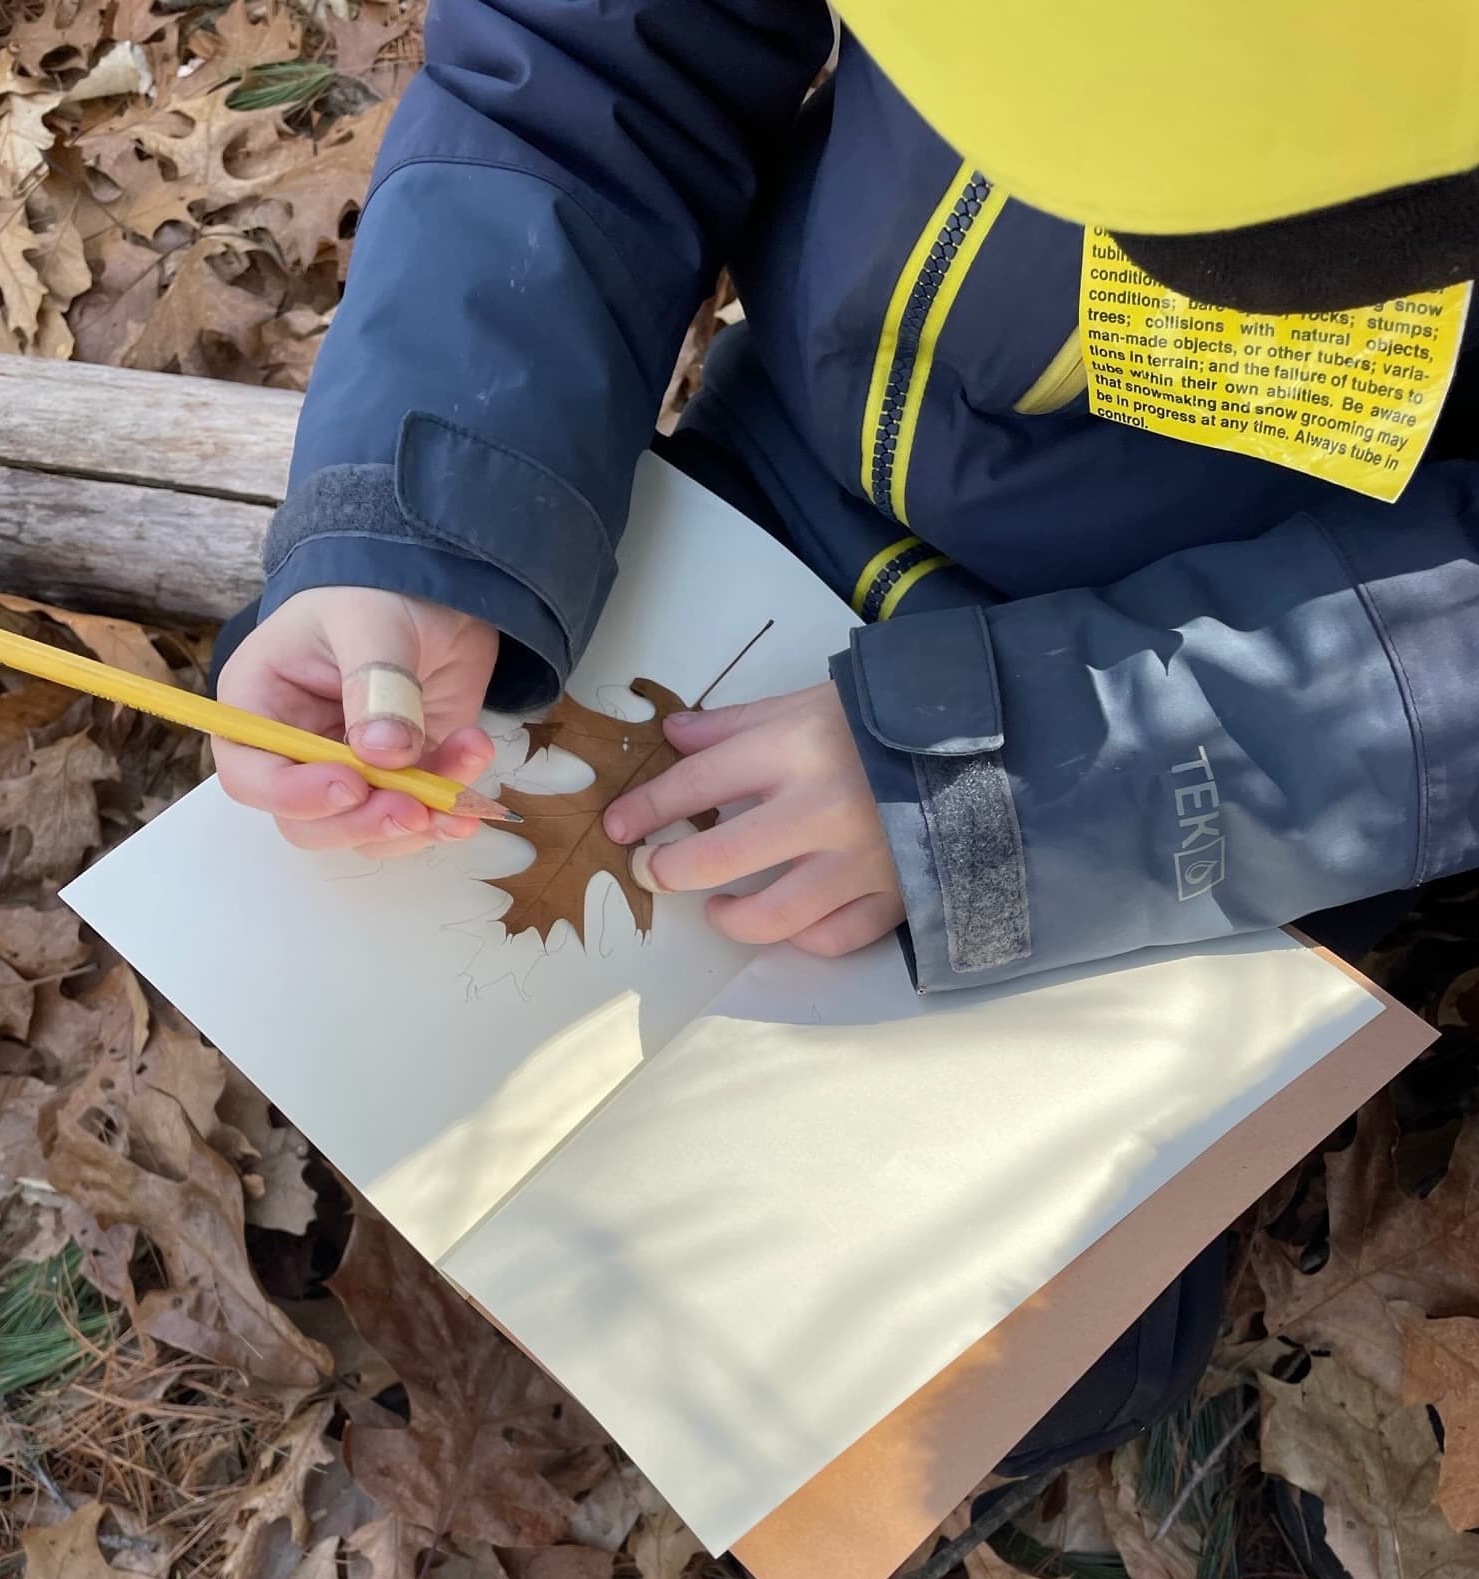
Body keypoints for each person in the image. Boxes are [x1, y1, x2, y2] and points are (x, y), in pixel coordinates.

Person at [213, 0, 1479, 1480]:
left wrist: (1007, 790)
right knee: (390, 1019)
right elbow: (581, 60)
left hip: (1235, 674)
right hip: (791, 472)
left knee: (971, 1375)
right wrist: (421, 521)